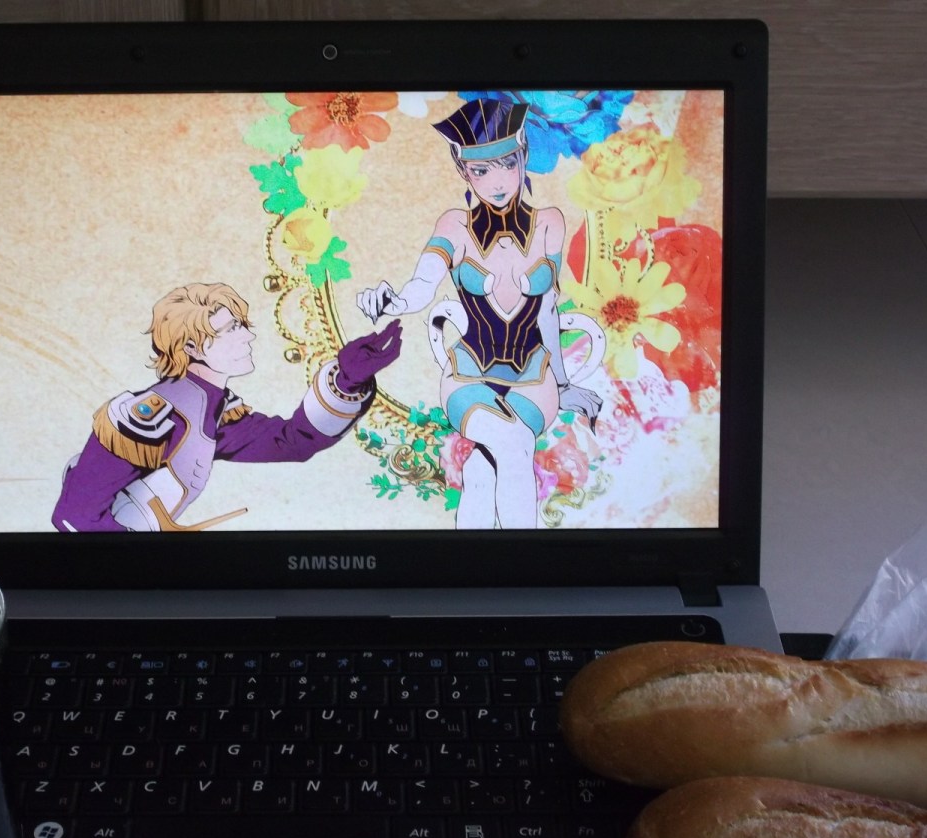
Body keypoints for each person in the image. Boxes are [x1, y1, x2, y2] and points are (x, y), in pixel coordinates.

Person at [357, 98, 602, 529]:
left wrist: (563, 384)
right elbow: (422, 285)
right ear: (462, 169)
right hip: (469, 375)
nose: (498, 181)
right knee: (513, 445)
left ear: (523, 153)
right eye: (481, 170)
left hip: (535, 378)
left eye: (507, 163)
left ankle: (471, 564)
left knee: (482, 471)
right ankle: (524, 567)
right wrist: (391, 301)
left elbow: (547, 307)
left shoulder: (549, 222)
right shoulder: (454, 226)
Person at [53, 282, 401, 532]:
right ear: (192, 347)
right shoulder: (149, 416)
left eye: (243, 325)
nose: (248, 336)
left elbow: (293, 441)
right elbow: (73, 516)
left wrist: (346, 380)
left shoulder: (217, 411)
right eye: (232, 328)